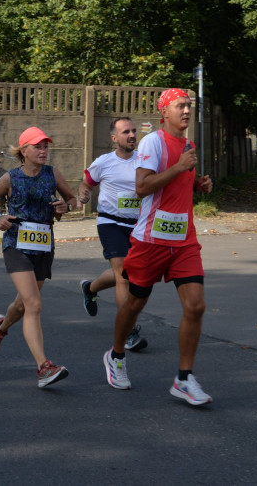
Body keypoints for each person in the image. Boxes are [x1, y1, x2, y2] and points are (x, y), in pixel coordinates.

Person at [101, 88, 214, 406]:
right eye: (180, 106)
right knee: (135, 303)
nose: (187, 111)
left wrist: (198, 183)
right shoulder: (153, 142)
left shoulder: (188, 144)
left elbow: (180, 182)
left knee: (195, 306)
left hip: (184, 240)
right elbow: (142, 187)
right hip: (151, 239)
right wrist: (179, 168)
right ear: (164, 112)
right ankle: (117, 356)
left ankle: (184, 378)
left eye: (189, 106)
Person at [0, 127, 77, 388]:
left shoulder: (53, 174)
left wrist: (66, 206)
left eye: (46, 146)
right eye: (38, 146)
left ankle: (1, 328)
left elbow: (73, 200)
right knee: (34, 304)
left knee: (23, 305)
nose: (43, 150)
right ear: (23, 151)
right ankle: (44, 368)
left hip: (44, 246)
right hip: (16, 244)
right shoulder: (10, 178)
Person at [76, 116, 148, 351]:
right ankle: (128, 331)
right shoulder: (104, 162)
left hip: (138, 225)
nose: (132, 135)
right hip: (110, 222)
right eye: (126, 132)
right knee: (124, 275)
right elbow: (86, 182)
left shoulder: (145, 161)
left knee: (129, 272)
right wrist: (84, 195)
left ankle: (91, 288)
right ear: (114, 138)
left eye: (134, 131)